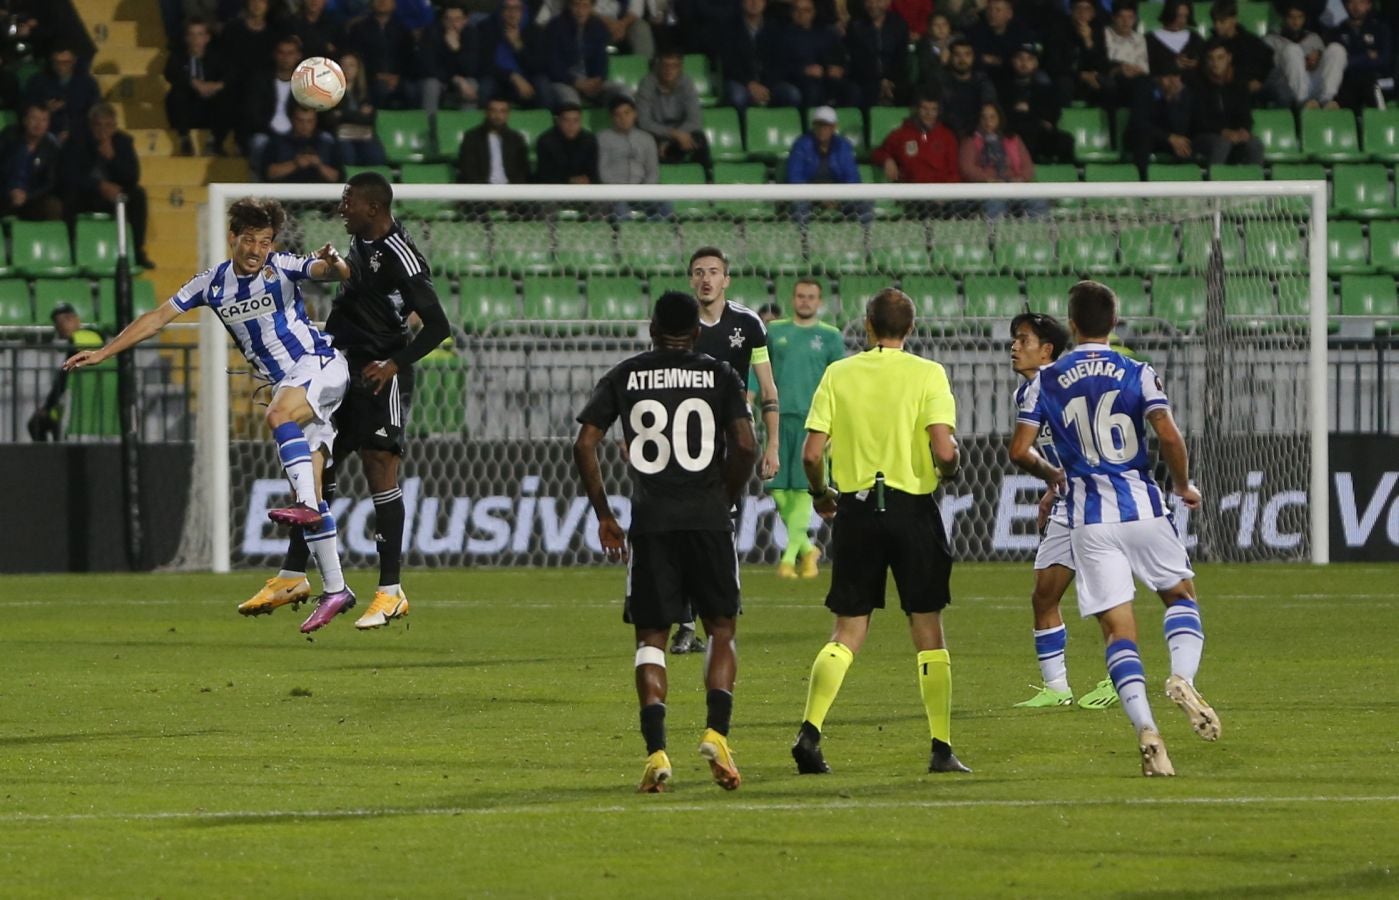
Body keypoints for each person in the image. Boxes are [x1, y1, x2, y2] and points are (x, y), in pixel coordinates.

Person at [65, 197, 354, 632]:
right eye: (250, 240)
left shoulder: (282, 266)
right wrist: (106, 351)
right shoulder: (211, 283)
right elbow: (158, 317)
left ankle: (307, 512)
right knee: (311, 483)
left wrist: (336, 265)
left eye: (266, 241)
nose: (258, 249)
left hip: (319, 366)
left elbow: (326, 271)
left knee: (278, 418)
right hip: (290, 385)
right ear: (233, 238)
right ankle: (336, 588)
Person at [1009, 280, 1219, 777]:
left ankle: (1147, 729)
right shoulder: (1137, 372)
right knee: (1181, 598)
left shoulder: (1045, 380)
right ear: (1115, 322)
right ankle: (1182, 677)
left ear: (1072, 324)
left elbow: (1019, 450)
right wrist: (1184, 485)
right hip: (1143, 509)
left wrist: (1054, 476)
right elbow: (1167, 433)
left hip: (1088, 519)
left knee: (1117, 632)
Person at [242, 172, 451, 632]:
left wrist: (394, 364)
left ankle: (391, 593)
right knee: (319, 468)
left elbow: (438, 326)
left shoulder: (401, 254)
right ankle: (293, 575)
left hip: (380, 372)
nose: (342, 207)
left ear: (373, 207)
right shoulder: (360, 242)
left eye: (348, 200)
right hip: (341, 364)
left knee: (380, 467)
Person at [573, 290, 759, 794]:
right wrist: (724, 493)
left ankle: (656, 752)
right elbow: (745, 444)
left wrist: (606, 515)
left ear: (652, 330)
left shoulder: (627, 374)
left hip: (652, 522)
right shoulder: (719, 373)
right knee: (721, 627)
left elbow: (585, 442)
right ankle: (717, 735)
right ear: (696, 332)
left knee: (651, 637)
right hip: (708, 519)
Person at [790, 287, 970, 777]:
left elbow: (810, 454)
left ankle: (810, 731)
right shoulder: (928, 373)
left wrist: (822, 493)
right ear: (908, 329)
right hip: (912, 510)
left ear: (867, 326)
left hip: (857, 512)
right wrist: (948, 470)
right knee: (928, 631)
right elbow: (946, 451)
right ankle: (940, 747)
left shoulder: (838, 374)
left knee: (847, 631)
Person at [669, 245, 780, 654]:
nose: (706, 279)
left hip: (730, 443)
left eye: (713, 271)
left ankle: (719, 608)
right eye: (698, 272)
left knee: (720, 529)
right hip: (683, 442)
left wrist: (773, 448)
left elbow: (768, 389)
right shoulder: (676, 322)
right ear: (690, 279)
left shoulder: (748, 325)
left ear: (726, 279)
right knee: (681, 530)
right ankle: (685, 622)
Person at [1007, 310, 1119, 710]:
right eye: (1015, 339)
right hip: (1068, 502)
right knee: (1044, 595)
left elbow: (1023, 452)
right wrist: (1055, 488)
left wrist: (1057, 478)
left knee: (1106, 597)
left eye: (1023, 340)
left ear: (1046, 349)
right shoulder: (1029, 391)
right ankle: (1057, 689)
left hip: (1097, 504)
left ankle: (1118, 680)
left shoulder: (1057, 384)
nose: (1014, 347)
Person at [765, 278, 844, 579]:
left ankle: (789, 558)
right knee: (776, 488)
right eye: (801, 296)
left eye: (811, 297)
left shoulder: (830, 337)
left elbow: (839, 379)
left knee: (800, 488)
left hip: (814, 422)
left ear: (819, 301)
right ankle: (808, 549)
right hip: (776, 418)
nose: (805, 301)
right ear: (792, 299)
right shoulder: (775, 332)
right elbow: (760, 368)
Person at [61, 103, 155, 268]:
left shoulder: (123, 142)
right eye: (99, 125)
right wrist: (99, 185)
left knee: (138, 195)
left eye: (108, 126)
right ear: (91, 125)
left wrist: (113, 159)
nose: (103, 130)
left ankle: (137, 250)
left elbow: (132, 176)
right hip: (87, 194)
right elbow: (70, 175)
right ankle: (70, 251)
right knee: (68, 197)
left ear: (115, 127)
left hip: (114, 196)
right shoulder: (77, 141)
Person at [28, 302, 104, 443]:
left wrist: (47, 407)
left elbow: (63, 380)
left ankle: (49, 459)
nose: (58, 329)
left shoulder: (76, 340)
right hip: (100, 399)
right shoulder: (99, 336)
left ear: (73, 319)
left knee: (36, 423)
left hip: (76, 401)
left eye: (60, 323)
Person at [785, 106, 869, 225]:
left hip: (839, 198)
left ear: (834, 127)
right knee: (799, 205)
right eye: (818, 125)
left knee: (864, 203)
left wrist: (837, 197)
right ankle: (803, 242)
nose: (821, 129)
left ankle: (866, 241)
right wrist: (820, 196)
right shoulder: (801, 145)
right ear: (813, 126)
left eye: (825, 126)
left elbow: (852, 178)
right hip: (810, 197)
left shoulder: (843, 146)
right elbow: (795, 178)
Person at [959, 102, 1043, 218]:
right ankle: (996, 235)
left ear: (999, 118)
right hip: (987, 188)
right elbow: (967, 168)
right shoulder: (970, 140)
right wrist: (989, 180)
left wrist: (1020, 178)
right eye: (984, 117)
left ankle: (1034, 234)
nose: (988, 121)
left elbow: (1028, 166)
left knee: (1037, 201)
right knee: (995, 203)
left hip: (1015, 186)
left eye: (992, 117)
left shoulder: (1013, 138)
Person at [770, 0, 858, 108]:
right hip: (798, 80)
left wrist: (841, 70)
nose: (801, 14)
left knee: (851, 90)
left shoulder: (827, 33)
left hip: (828, 79)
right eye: (797, 10)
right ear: (791, 13)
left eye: (806, 10)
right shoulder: (782, 36)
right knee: (812, 89)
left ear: (813, 12)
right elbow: (778, 68)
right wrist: (804, 70)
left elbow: (842, 58)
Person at [163, 17, 230, 157]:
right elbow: (170, 73)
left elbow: (231, 77)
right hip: (187, 110)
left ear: (207, 38)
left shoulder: (217, 57)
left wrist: (214, 86)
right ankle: (185, 139)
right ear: (186, 38)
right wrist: (194, 83)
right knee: (176, 92)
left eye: (200, 34)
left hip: (210, 108)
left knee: (227, 96)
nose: (196, 39)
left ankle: (215, 142)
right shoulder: (178, 56)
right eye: (192, 34)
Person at [536, 0, 619, 110]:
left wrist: (598, 79)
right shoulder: (555, 27)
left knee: (621, 93)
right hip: (565, 82)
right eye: (576, 5)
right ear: (570, 6)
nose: (580, 11)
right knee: (572, 102)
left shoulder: (598, 26)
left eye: (585, 6)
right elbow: (553, 65)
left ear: (591, 7)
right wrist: (576, 82)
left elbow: (602, 58)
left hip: (591, 81)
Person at [636, 50, 710, 171]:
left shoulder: (687, 83)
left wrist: (673, 138)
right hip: (656, 134)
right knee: (646, 142)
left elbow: (695, 120)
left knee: (699, 138)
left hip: (681, 133)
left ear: (680, 67)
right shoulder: (647, 83)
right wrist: (672, 134)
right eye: (665, 65)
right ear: (658, 66)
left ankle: (708, 180)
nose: (669, 70)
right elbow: (644, 122)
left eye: (674, 66)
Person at [1193, 42, 1264, 166]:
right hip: (1203, 136)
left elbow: (1245, 114)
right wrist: (1223, 132)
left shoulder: (1239, 85)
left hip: (1232, 134)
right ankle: (1215, 183)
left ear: (1229, 58)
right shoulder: (1197, 84)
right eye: (1211, 58)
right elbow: (1199, 120)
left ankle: (1253, 183)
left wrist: (1243, 131)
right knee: (1222, 143)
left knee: (1255, 143)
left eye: (1220, 58)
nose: (1215, 63)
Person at [1001, 43, 1073, 164]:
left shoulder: (1046, 89)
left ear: (1036, 63)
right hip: (1013, 132)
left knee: (1065, 140)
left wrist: (1030, 111)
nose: (1024, 63)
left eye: (1029, 59)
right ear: (1013, 61)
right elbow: (1002, 113)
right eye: (1020, 58)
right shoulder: (1003, 88)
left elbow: (1052, 114)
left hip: (1039, 132)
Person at [1266, 2, 1347, 109]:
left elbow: (1325, 66)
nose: (1296, 22)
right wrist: (1302, 62)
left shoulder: (1313, 38)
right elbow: (1271, 71)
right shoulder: (1270, 40)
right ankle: (1302, 101)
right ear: (1284, 18)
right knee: (1292, 50)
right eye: (1291, 17)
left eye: (1300, 17)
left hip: (1312, 84)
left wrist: (1317, 60)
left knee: (1336, 49)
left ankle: (1326, 99)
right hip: (1286, 87)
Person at [22, 45, 101, 144]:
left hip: (80, 136)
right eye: (57, 62)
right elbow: (27, 109)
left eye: (65, 62)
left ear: (74, 61)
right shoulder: (37, 82)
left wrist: (73, 132)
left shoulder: (88, 84)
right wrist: (46, 109)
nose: (61, 67)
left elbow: (94, 113)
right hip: (44, 136)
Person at [321, 51, 388, 167]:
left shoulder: (367, 92)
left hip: (364, 134)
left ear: (358, 69)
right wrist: (358, 114)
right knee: (347, 155)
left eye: (351, 65)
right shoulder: (329, 92)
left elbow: (370, 118)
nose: (347, 69)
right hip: (341, 136)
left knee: (377, 156)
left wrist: (343, 114)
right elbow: (329, 119)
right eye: (344, 65)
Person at [0, 104, 64, 221]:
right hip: (4, 193)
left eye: (44, 120)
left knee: (53, 205)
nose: (39, 124)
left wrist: (27, 195)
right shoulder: (8, 137)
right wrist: (10, 191)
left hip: (32, 198)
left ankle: (47, 239)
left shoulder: (51, 148)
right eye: (34, 118)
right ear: (25, 120)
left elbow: (50, 182)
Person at [1326, 0, 1391, 112]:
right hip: (1348, 84)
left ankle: (1381, 123)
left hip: (1375, 80)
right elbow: (1341, 64)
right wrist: (1366, 56)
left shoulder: (1380, 29)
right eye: (1351, 2)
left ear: (1368, 5)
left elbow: (1384, 60)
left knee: (1371, 83)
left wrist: (1354, 60)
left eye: (1361, 2)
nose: (1356, 7)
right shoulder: (1337, 32)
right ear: (1345, 5)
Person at [845, 0, 911, 108]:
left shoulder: (899, 24)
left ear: (888, 2)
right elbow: (857, 61)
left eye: (878, 1)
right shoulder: (855, 25)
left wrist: (889, 80)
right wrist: (879, 82)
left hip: (893, 79)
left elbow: (901, 58)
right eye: (869, 1)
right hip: (865, 79)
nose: (873, 5)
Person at [421, 1, 483, 114]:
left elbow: (472, 69)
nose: (453, 24)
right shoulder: (431, 33)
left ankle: (467, 127)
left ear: (466, 20)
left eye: (457, 19)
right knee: (430, 84)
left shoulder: (472, 34)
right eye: (448, 19)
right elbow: (429, 68)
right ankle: (431, 126)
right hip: (440, 79)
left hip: (462, 80)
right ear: (442, 20)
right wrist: (456, 79)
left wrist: (457, 50)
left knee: (472, 83)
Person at [722, 0, 783, 111]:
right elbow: (729, 63)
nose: (754, 3)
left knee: (791, 95)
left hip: (768, 83)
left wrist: (766, 86)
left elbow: (779, 62)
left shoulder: (774, 28)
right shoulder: (729, 28)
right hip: (741, 81)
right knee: (738, 97)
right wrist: (749, 84)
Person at [263, 103, 344, 183]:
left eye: (309, 121)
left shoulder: (328, 144)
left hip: (319, 193)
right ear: (292, 120)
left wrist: (319, 165)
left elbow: (337, 178)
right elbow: (269, 174)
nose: (305, 125)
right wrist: (295, 164)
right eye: (300, 120)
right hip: (286, 192)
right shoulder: (277, 143)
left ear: (316, 121)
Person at [456, 97, 530, 184]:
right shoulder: (472, 138)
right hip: (481, 191)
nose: (497, 116)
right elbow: (468, 171)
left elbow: (523, 171)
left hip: (511, 191)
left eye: (502, 111)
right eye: (493, 110)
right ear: (486, 113)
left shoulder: (516, 139)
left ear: (508, 115)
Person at [939, 39, 998, 137]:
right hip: (948, 136)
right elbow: (938, 114)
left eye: (967, 55)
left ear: (973, 57)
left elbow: (989, 109)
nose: (962, 59)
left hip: (978, 136)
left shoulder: (982, 81)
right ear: (950, 57)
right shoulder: (941, 81)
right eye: (957, 55)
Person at [535, 102, 600, 183]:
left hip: (584, 190)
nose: (571, 125)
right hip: (554, 190)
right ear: (558, 121)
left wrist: (587, 180)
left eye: (576, 121)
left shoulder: (589, 140)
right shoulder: (545, 141)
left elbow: (594, 172)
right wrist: (570, 180)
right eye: (566, 120)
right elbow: (545, 174)